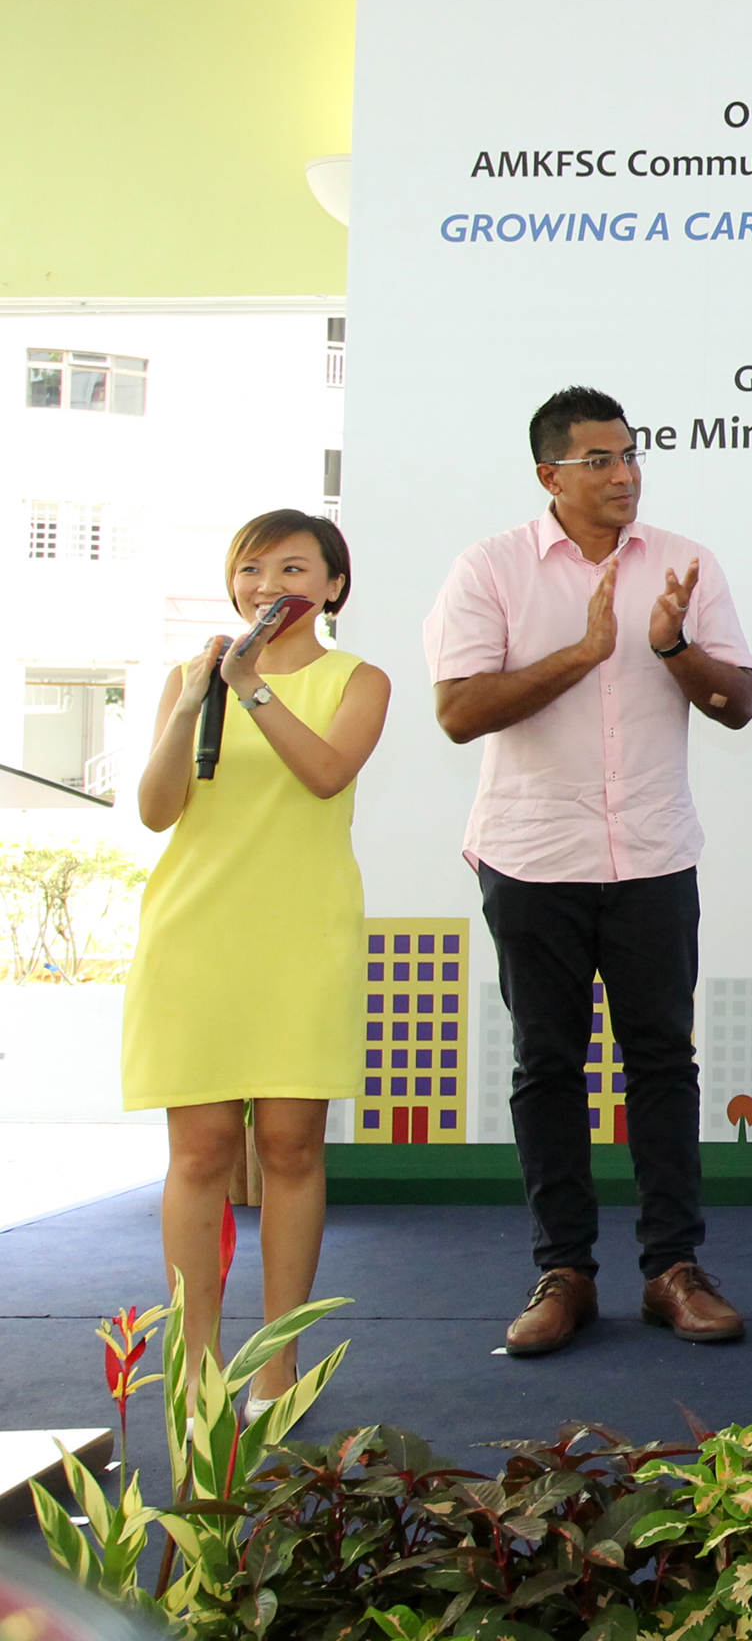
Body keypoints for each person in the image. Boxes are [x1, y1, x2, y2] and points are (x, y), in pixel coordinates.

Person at [426, 389, 752, 1359]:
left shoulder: (685, 563)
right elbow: (457, 710)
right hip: (534, 855)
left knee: (663, 1060)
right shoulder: (490, 568)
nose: (624, 473)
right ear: (550, 475)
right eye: (599, 459)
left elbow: (738, 703)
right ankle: (563, 1268)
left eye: (630, 454)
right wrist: (582, 652)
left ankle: (674, 1268)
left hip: (652, 852)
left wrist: (670, 646)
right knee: (549, 1063)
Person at [126, 511, 389, 1408]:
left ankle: (279, 1361)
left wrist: (253, 691)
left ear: (333, 588)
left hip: (299, 933)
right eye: (251, 568)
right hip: (194, 933)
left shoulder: (359, 680)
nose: (268, 584)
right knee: (198, 1152)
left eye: (292, 567)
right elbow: (158, 809)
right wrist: (202, 692)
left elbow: (324, 774)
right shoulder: (190, 677)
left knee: (290, 1145)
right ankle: (193, 1369)